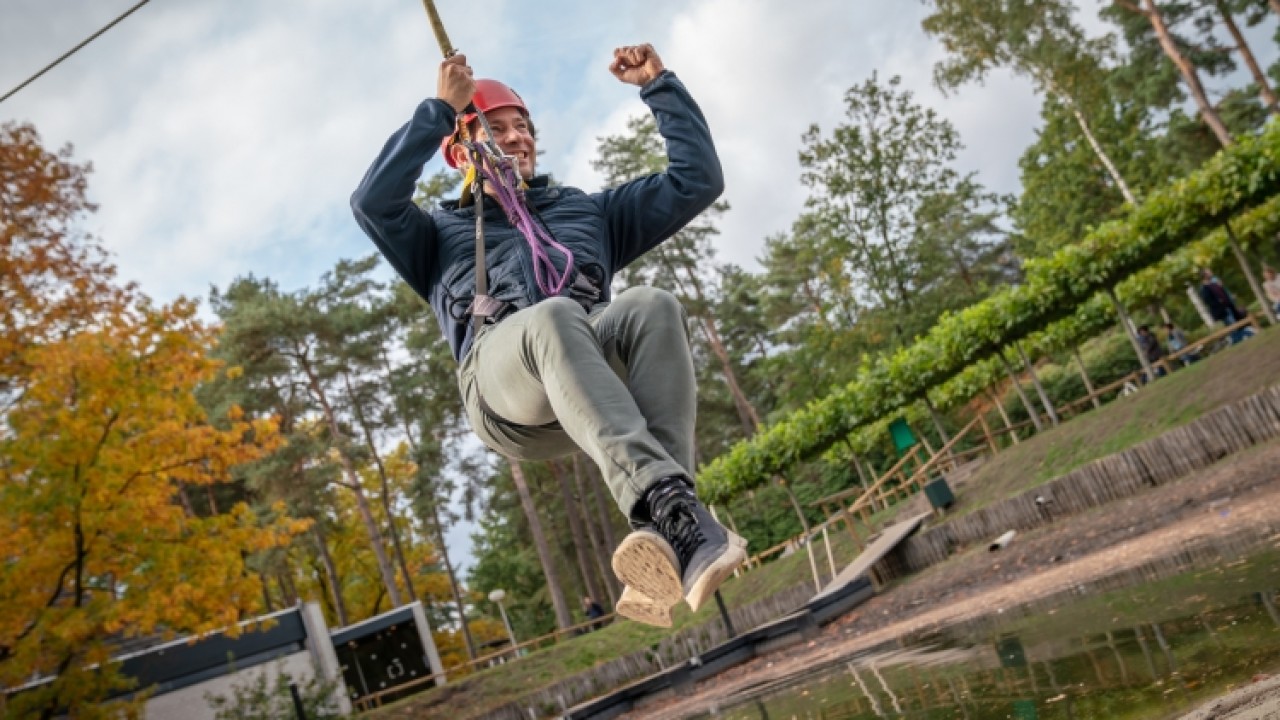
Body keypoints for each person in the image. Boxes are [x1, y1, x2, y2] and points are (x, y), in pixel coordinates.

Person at [350, 45, 745, 628]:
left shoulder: (587, 212)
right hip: (505, 395)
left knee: (650, 305)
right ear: (463, 153)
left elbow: (697, 181)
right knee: (555, 315)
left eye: (522, 128)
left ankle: (668, 526)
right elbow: (372, 202)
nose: (516, 138)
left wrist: (659, 87)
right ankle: (668, 505)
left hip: (590, 386)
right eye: (497, 129)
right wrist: (440, 108)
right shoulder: (435, 235)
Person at [1197, 268, 1251, 344]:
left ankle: (1241, 340)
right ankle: (1239, 341)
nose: (1211, 272)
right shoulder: (1204, 288)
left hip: (1228, 307)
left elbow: (1223, 293)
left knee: (1236, 325)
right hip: (1222, 311)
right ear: (1205, 275)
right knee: (1233, 327)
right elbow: (1209, 301)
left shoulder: (1214, 283)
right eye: (1209, 272)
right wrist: (1220, 302)